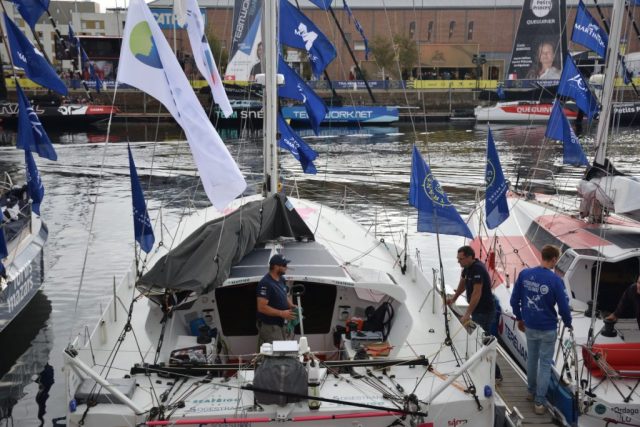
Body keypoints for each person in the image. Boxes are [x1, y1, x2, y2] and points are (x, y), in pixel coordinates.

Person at [510, 245, 572, 415]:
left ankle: (530, 392)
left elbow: (514, 300)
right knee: (545, 365)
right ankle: (539, 402)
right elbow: (564, 308)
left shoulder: (524, 274)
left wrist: (519, 317)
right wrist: (568, 323)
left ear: (542, 256)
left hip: (529, 325)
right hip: (547, 328)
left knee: (532, 359)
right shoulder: (556, 280)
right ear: (554, 259)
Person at [447, 245, 502, 382]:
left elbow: (477, 293)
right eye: (458, 259)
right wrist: (453, 299)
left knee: (483, 342)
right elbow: (462, 284)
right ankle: (488, 369)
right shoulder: (467, 268)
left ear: (470, 257)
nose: (458, 261)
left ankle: (495, 374)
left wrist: (467, 314)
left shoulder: (478, 269)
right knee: (479, 340)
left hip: (484, 311)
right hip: (477, 311)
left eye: (460, 259)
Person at [256, 254, 297, 346]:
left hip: (282, 324)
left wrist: (291, 305)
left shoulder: (281, 279)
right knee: (278, 352)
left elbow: (284, 295)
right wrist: (282, 313)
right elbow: (261, 307)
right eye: (284, 265)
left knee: (283, 348)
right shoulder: (265, 283)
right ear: (276, 267)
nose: (286, 267)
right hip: (271, 327)